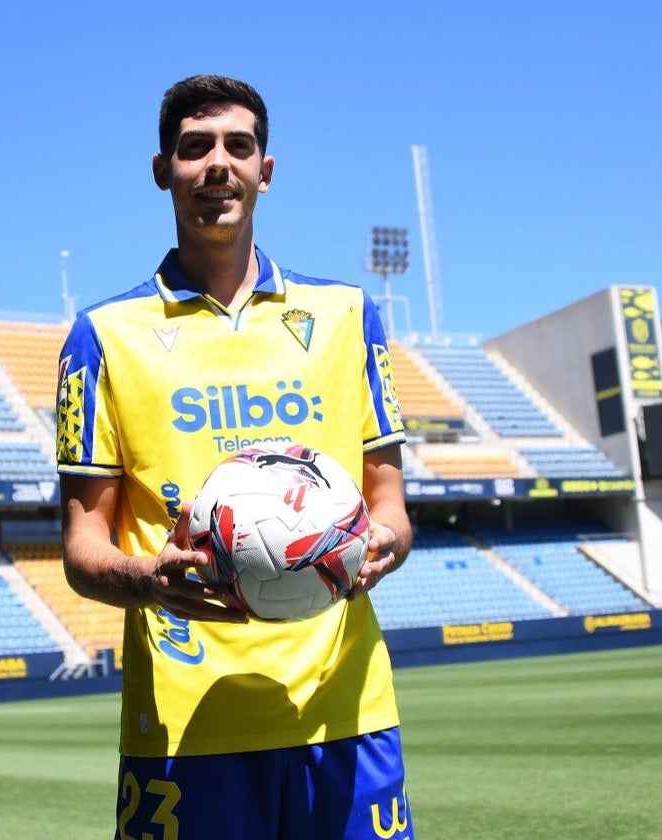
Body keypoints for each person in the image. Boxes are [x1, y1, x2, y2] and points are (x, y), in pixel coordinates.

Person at [56, 73, 415, 840]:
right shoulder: (102, 335)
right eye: (195, 149)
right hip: (187, 731)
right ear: (164, 171)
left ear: (265, 169)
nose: (218, 164)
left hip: (344, 713)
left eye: (238, 147)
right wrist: (144, 579)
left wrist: (383, 544)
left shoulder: (349, 316)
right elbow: (83, 547)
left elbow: (392, 507)